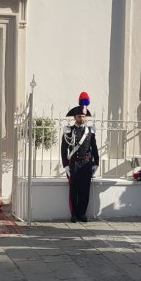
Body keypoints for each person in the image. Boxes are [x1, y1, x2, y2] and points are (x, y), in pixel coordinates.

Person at [61, 92, 99, 223]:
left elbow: (94, 148)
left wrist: (96, 163)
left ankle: (82, 213)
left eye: (83, 116)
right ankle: (74, 214)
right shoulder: (68, 130)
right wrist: (65, 165)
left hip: (87, 163)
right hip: (74, 163)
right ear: (75, 117)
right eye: (79, 116)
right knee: (74, 189)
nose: (82, 118)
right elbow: (63, 149)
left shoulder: (90, 131)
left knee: (85, 189)